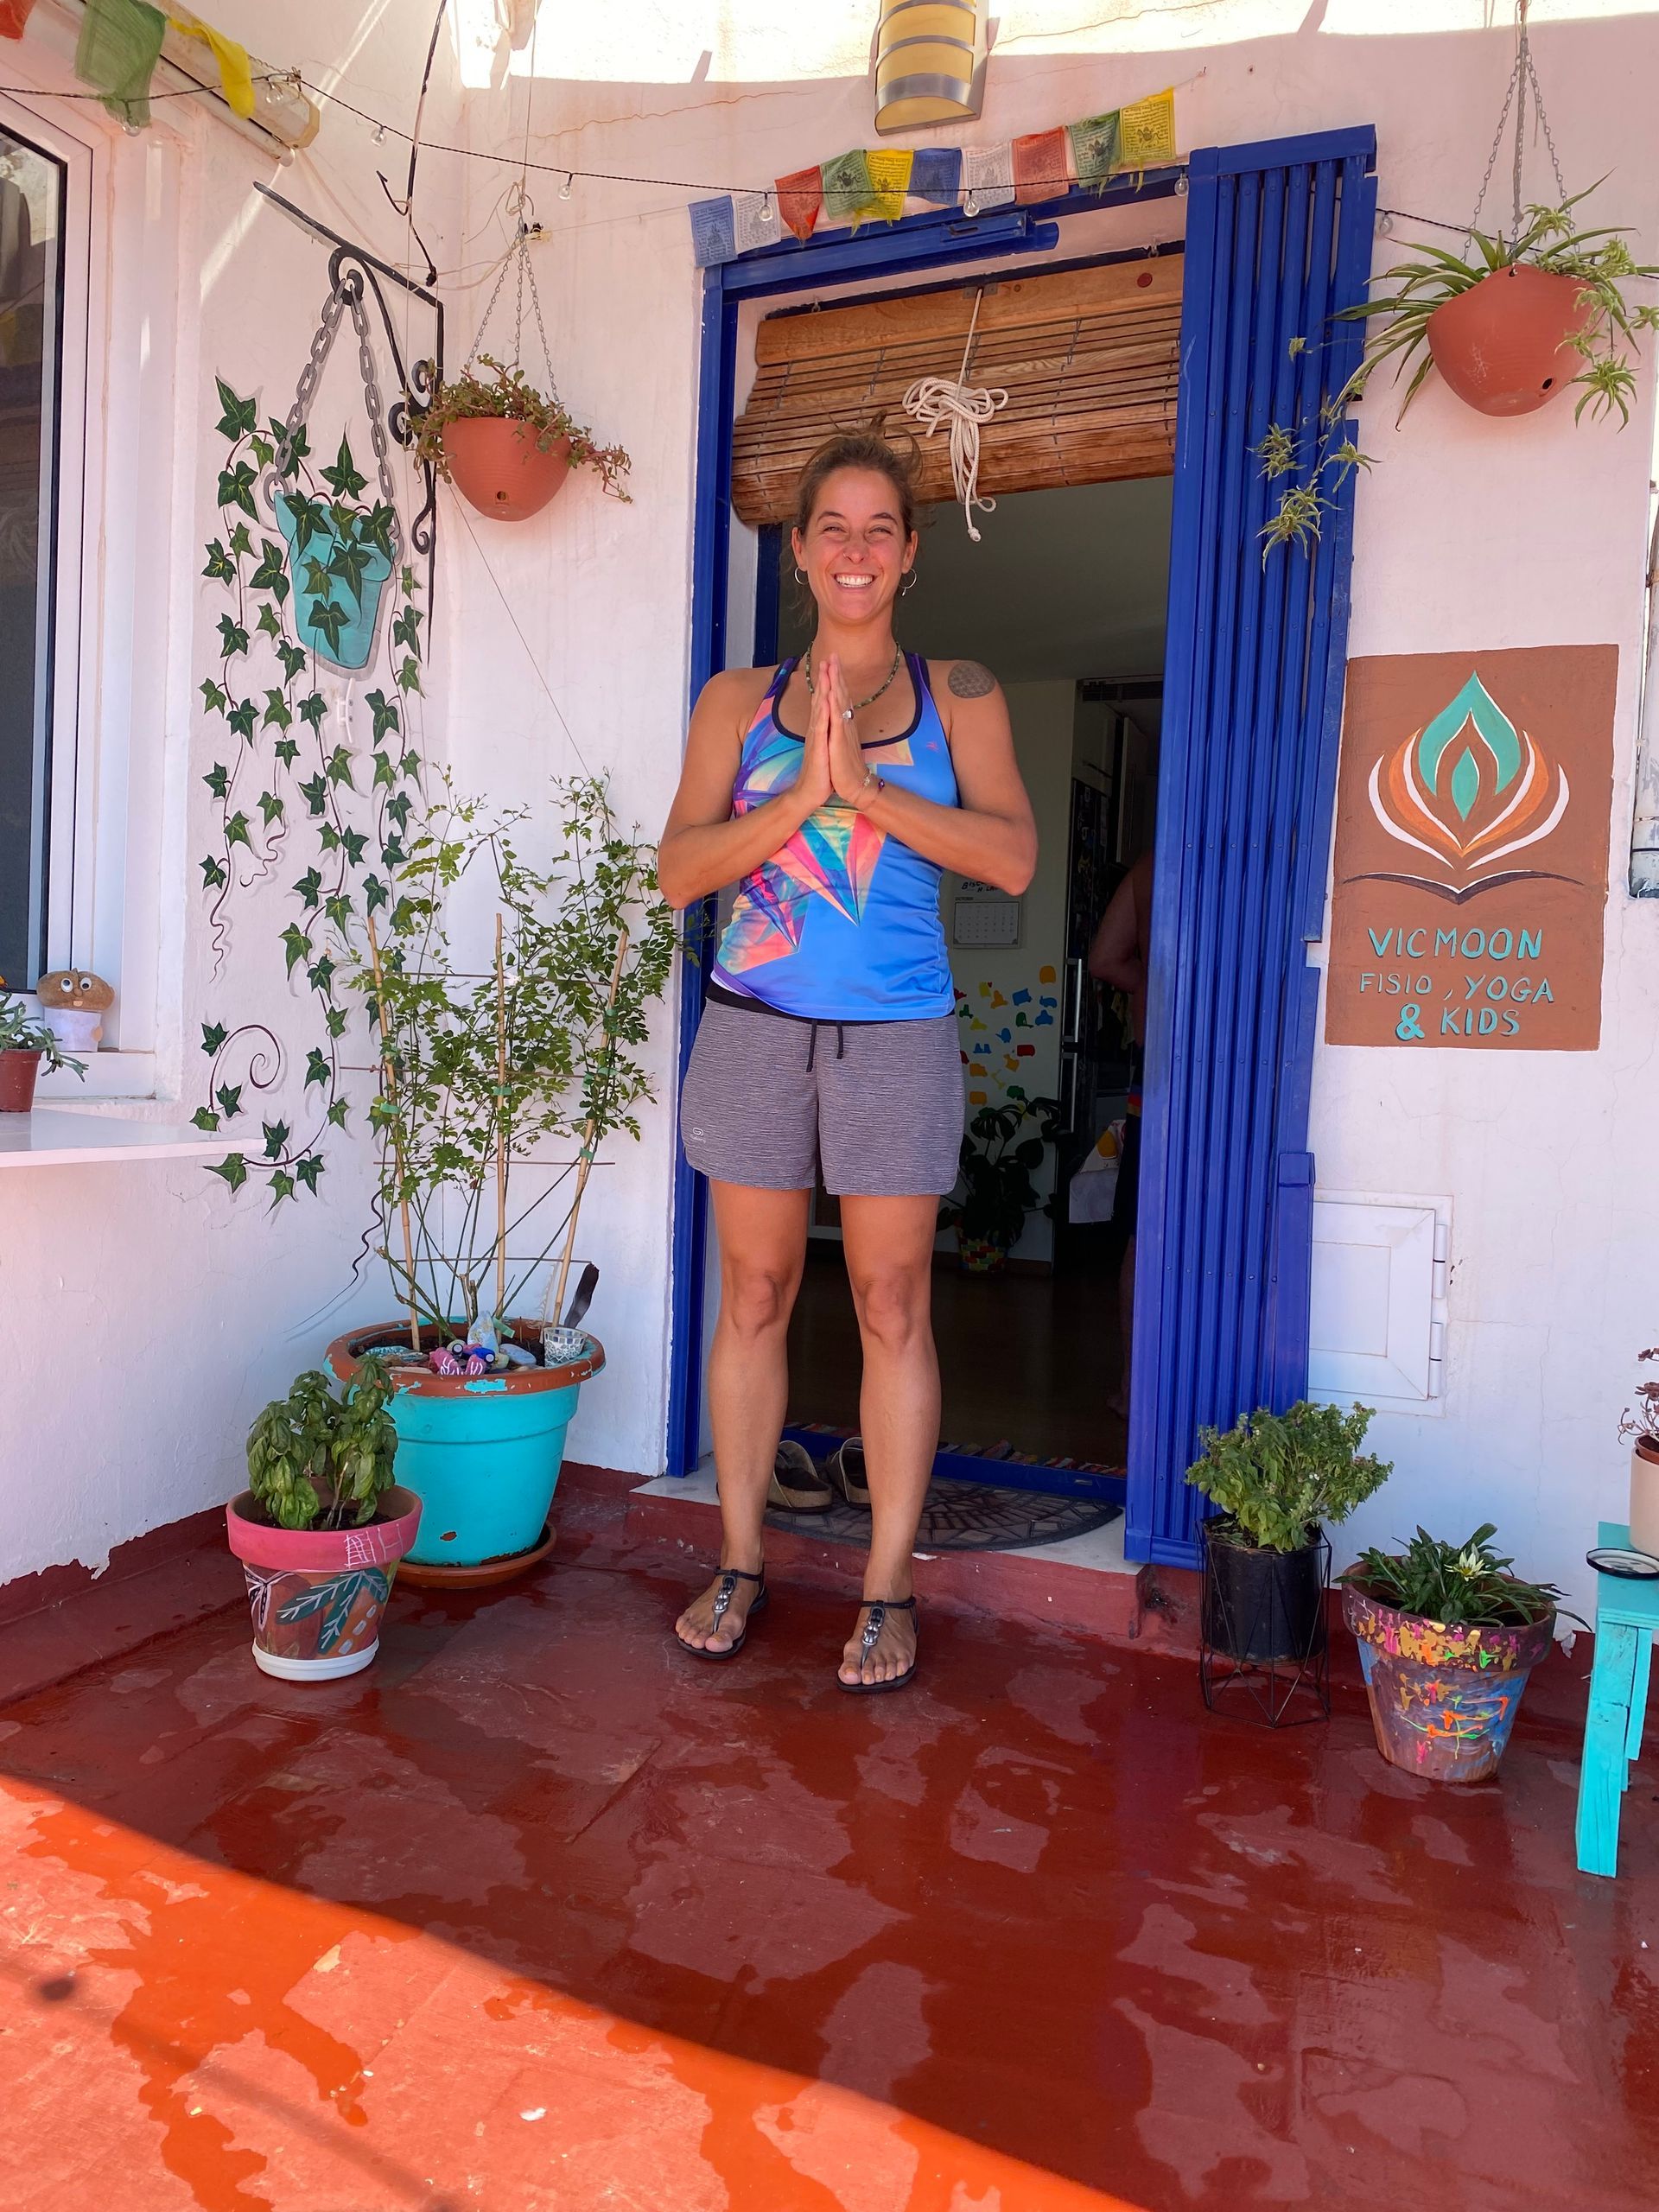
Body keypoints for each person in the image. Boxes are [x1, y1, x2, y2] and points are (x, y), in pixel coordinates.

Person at [658, 430, 1037, 1691]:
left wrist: (868, 795)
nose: (857, 549)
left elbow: (1013, 859)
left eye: (881, 528)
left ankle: (886, 1587)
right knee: (754, 1297)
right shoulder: (735, 701)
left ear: (910, 553)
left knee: (890, 1308)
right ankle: (742, 1556)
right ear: (802, 550)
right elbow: (677, 876)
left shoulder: (963, 695)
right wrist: (795, 799)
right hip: (755, 1029)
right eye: (834, 527)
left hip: (896, 1041)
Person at [1087, 849, 1154, 1421]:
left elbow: (1106, 961)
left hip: (1155, 1066)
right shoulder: (1260, 859)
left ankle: (1134, 1385)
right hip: (1239, 1060)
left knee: (1142, 1231)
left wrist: (1156, 981)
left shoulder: (1149, 869)